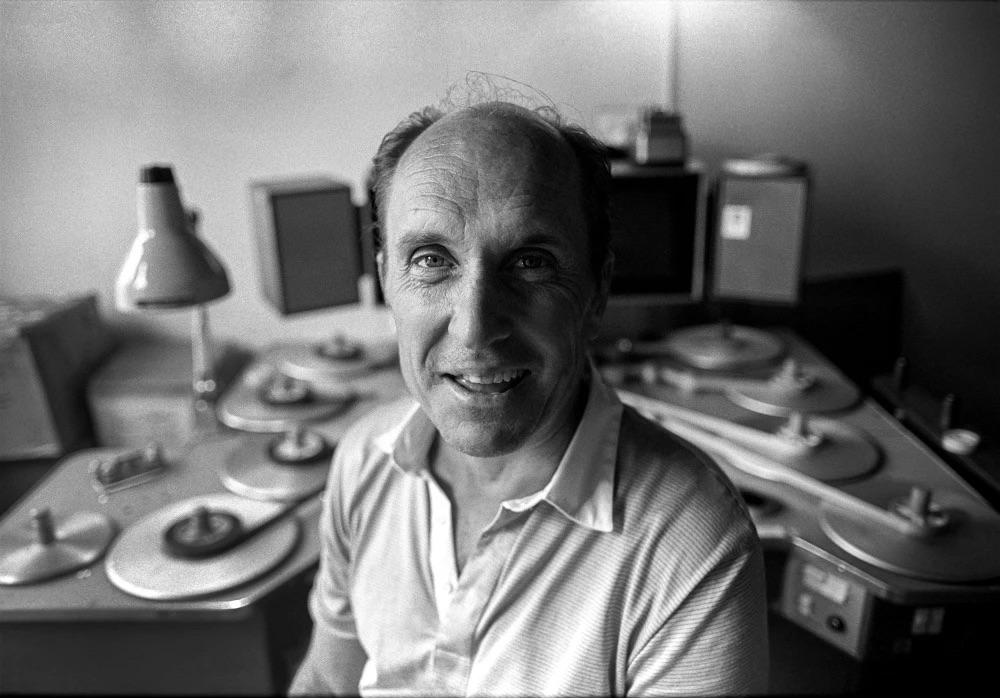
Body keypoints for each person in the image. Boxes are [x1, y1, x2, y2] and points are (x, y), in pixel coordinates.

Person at [290, 98, 768, 696]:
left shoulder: (691, 547)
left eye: (530, 262)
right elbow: (326, 680)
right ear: (388, 279)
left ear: (597, 289)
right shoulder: (363, 459)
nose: (474, 329)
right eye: (432, 260)